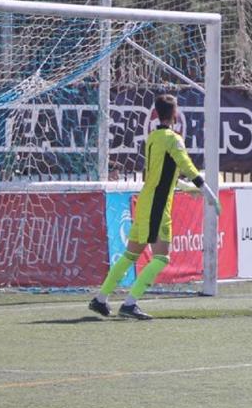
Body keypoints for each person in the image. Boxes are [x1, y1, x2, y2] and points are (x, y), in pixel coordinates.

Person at [89, 95, 222, 320]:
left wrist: (186, 188)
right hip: (158, 205)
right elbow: (188, 167)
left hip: (145, 202)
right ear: (175, 113)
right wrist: (209, 194)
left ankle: (100, 299)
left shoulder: (153, 137)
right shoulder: (173, 139)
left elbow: (159, 173)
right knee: (162, 258)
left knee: (131, 254)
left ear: (157, 113)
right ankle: (130, 304)